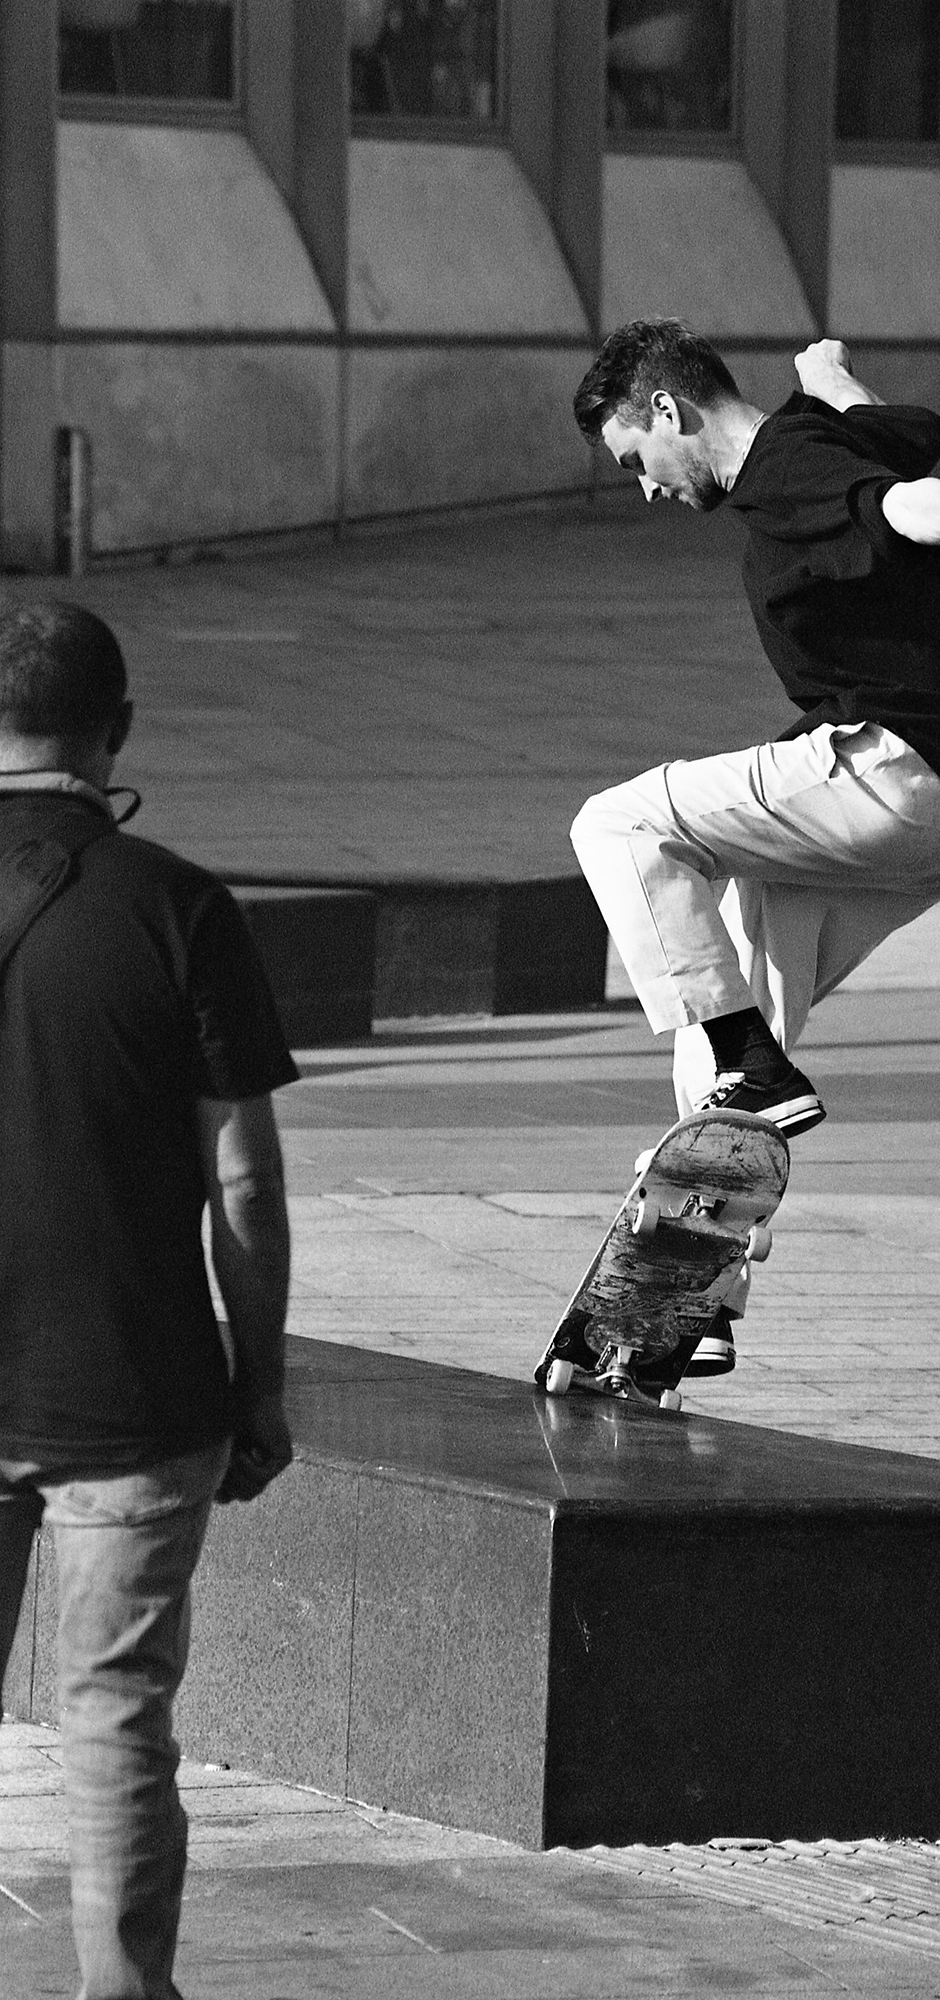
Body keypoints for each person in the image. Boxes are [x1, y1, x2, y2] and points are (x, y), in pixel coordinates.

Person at [570, 321, 940, 1375]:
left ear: (667, 410)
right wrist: (825, 374)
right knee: (732, 1021)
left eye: (634, 461)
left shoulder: (782, 467)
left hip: (888, 771)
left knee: (618, 822)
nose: (645, 489)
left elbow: (895, 507)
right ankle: (694, 1294)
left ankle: (748, 1062)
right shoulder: (818, 435)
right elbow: (897, 434)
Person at [0, 601, 298, 2000]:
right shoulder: (176, 906)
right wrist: (258, 1384)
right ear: (115, 729)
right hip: (129, 1390)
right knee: (113, 1721)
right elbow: (242, 1184)